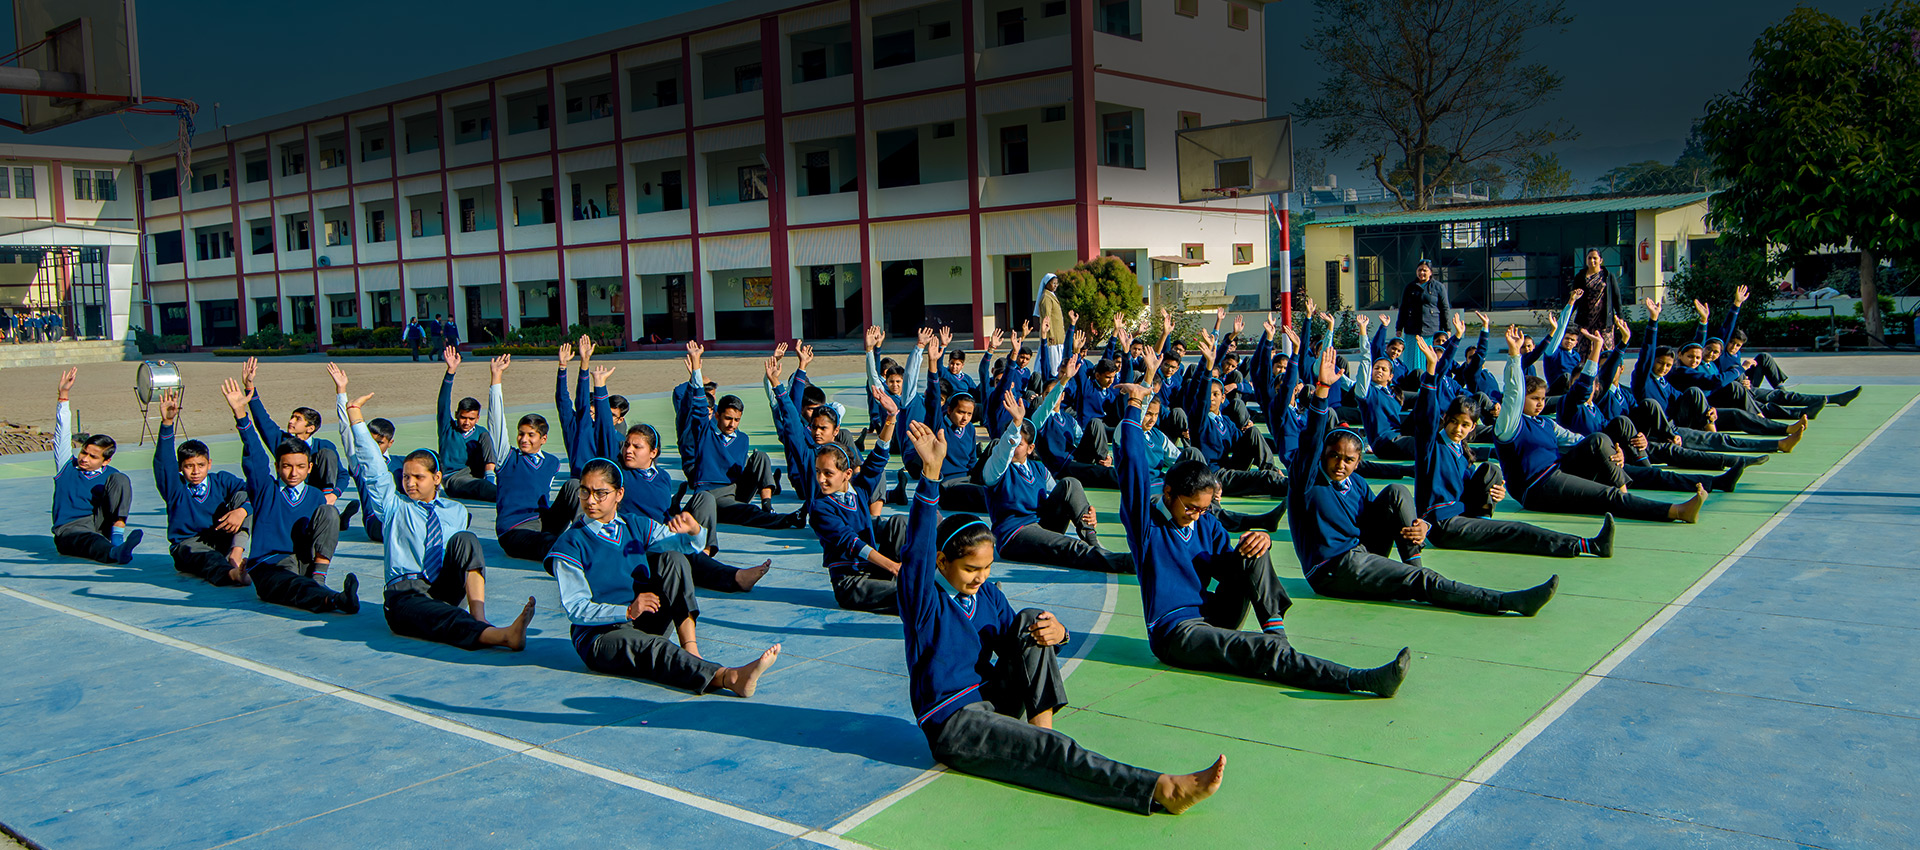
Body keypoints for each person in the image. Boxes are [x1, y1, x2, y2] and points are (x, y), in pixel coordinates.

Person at [895, 420, 1227, 815]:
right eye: (970, 570)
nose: (980, 578)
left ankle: (1043, 737)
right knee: (1056, 752)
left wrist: (1061, 633)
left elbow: (1021, 640)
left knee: (1032, 619)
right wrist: (930, 475)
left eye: (986, 569)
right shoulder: (924, 600)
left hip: (993, 699)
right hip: (955, 721)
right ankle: (1159, 790)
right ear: (942, 561)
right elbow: (916, 550)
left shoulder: (986, 594)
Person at [1112, 357, 1412, 696]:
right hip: (1176, 632)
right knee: (1264, 652)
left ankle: (1277, 634)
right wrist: (1135, 404)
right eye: (1191, 507)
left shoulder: (1206, 523)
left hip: (1214, 614)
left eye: (1203, 509)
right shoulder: (1147, 525)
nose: (1197, 515)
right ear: (1168, 493)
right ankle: (1360, 681)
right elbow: (1132, 468)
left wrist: (1253, 544)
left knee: (1254, 549)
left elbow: (1228, 567)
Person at [1291, 343, 1560, 616]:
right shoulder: (1309, 480)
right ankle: (1505, 602)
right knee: (1424, 581)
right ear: (1322, 456)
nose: (1340, 464)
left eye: (1349, 460)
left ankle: (1415, 565)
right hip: (1331, 568)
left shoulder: (1356, 483)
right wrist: (1322, 390)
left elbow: (1382, 516)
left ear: (1358, 462)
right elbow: (1312, 438)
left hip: (1362, 551)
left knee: (1396, 493)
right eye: (1334, 456)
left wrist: (1418, 526)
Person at [549, 459, 782, 696]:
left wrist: (694, 531)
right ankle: (728, 677)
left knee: (674, 559)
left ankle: (690, 648)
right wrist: (627, 612)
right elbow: (576, 609)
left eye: (600, 493)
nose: (590, 500)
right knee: (653, 647)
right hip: (600, 636)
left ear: (619, 494)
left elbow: (682, 546)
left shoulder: (634, 525)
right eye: (584, 492)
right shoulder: (570, 544)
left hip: (642, 619)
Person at [341, 377, 536, 650]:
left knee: (466, 540)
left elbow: (460, 559)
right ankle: (499, 635)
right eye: (406, 477)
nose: (409, 482)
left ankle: (479, 617)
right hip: (405, 596)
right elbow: (373, 469)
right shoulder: (395, 507)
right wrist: (355, 414)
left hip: (443, 589)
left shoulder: (455, 511)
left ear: (437, 478)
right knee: (442, 616)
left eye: (418, 477)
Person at [1406, 337, 1613, 559]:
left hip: (1463, 517)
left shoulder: (1461, 453)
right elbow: (1425, 417)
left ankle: (1483, 523)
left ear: (1473, 427)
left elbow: (1466, 490)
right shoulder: (1432, 445)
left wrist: (1495, 494)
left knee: (1491, 469)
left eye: (1465, 425)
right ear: (1445, 419)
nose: (1458, 428)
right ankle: (1585, 545)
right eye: (1454, 422)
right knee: (1516, 530)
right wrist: (1430, 370)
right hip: (1441, 526)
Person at [1496, 325, 1708, 523]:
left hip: (1560, 470)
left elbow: (1583, 441)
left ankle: (1626, 489)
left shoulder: (1545, 424)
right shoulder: (1510, 425)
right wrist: (1515, 355)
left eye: (1543, 399)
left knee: (1600, 440)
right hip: (1536, 486)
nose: (1541, 404)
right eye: (1534, 399)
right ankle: (1676, 511)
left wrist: (1614, 451)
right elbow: (1514, 392)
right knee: (1608, 496)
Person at [598, 364, 770, 593]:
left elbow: (662, 513)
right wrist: (599, 386)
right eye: (627, 444)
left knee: (699, 509)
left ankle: (711, 555)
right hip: (635, 543)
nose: (628, 449)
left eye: (636, 446)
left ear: (653, 452)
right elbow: (602, 430)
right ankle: (735, 577)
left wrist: (677, 521)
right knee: (679, 557)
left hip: (663, 533)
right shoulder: (618, 474)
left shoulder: (662, 478)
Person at [219, 378, 358, 615]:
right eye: (286, 467)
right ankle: (334, 601)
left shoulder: (315, 496)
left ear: (310, 468)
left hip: (304, 565)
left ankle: (320, 579)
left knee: (329, 512)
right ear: (277, 466)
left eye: (300, 467)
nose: (293, 473)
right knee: (293, 585)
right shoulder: (265, 490)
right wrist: (241, 416)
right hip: (269, 566)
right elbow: (255, 458)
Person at [983, 357, 1133, 574]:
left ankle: (1094, 542)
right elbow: (1004, 449)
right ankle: (1127, 563)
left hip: (1042, 524)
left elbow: (1063, 497)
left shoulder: (1039, 470)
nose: (1013, 445)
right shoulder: (996, 471)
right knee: (1070, 546)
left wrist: (1086, 511)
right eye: (1012, 441)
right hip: (1015, 535)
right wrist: (1015, 426)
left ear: (1031, 447)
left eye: (1019, 442)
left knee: (1071, 484)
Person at [680, 340, 800, 528]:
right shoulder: (706, 432)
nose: (732, 424)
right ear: (717, 415)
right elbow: (699, 407)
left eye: (736, 420)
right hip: (712, 494)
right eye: (728, 418)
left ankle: (767, 505)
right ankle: (784, 520)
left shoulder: (742, 439)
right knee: (746, 512)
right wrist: (696, 366)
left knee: (760, 456)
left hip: (736, 489)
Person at [810, 387, 909, 613]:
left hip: (875, 570)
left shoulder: (860, 491)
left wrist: (891, 417)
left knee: (899, 523)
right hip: (851, 583)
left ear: (847, 475)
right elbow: (852, 543)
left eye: (828, 473)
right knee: (907, 593)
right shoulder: (820, 508)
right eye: (818, 472)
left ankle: (956, 588)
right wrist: (894, 567)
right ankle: (948, 601)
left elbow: (878, 458)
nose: (821, 479)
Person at [481, 354, 580, 563]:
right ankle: (576, 555)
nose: (523, 439)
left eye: (530, 435)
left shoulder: (552, 463)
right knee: (552, 543)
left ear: (543, 439)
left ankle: (590, 536)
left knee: (573, 485)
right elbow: (496, 422)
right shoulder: (506, 458)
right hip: (515, 531)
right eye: (520, 433)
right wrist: (496, 378)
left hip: (543, 523)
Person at [153, 390, 252, 584]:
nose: (196, 471)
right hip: (188, 545)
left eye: (201, 465)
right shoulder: (175, 488)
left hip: (221, 540)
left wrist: (242, 510)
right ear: (180, 468)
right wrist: (167, 424)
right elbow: (163, 464)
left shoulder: (222, 481)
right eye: (189, 466)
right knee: (209, 559)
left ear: (209, 464)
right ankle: (233, 575)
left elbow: (257, 494)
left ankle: (236, 555)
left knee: (244, 497)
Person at [48, 368, 143, 565]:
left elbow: (116, 492)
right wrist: (63, 395)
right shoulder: (67, 467)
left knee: (121, 479)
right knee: (90, 541)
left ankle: (118, 534)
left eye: (93, 457)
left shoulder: (110, 474)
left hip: (100, 524)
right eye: (84, 452)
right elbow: (62, 434)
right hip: (70, 529)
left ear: (106, 461)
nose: (84, 459)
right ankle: (116, 553)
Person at [241, 357, 349, 520]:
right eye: (292, 417)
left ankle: (331, 512)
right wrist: (249, 387)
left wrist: (334, 494)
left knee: (327, 453)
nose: (291, 421)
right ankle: (340, 519)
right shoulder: (282, 442)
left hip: (319, 497)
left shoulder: (323, 446)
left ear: (310, 428)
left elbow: (342, 475)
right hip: (290, 495)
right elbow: (262, 421)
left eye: (297, 419)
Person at [436, 347, 499, 501]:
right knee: (481, 487)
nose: (466, 422)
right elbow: (443, 403)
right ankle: (500, 493)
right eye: (463, 417)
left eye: (471, 419)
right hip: (454, 479)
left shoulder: (480, 432)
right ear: (457, 415)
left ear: (477, 418)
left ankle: (492, 481)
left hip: (478, 475)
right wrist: (451, 371)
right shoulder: (448, 429)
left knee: (485, 435)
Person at [1394, 259, 1450, 373]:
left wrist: (1447, 328)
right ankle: (1412, 381)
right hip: (1412, 330)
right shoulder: (1410, 287)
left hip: (1431, 330)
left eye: (1425, 270)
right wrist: (1399, 327)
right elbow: (1403, 308)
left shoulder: (1438, 287)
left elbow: (1445, 308)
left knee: (1429, 358)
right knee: (1412, 360)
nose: (1422, 273)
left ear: (1430, 272)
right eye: (1419, 270)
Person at [1569, 249, 1618, 353]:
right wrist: (1566, 315)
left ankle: (1606, 369)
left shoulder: (1608, 276)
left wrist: (1620, 317)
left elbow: (1616, 297)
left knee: (1606, 350)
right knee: (1584, 350)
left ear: (1601, 260)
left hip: (1603, 319)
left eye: (1595, 258)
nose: (1592, 261)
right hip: (1585, 320)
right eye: (1589, 258)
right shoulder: (1580, 277)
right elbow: (1574, 299)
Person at [1036, 272, 1066, 377]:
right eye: (1053, 283)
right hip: (1052, 338)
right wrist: (1050, 334)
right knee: (1052, 361)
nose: (1055, 285)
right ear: (1047, 284)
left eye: (1056, 283)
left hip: (1058, 335)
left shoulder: (1051, 296)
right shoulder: (1046, 298)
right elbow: (1046, 318)